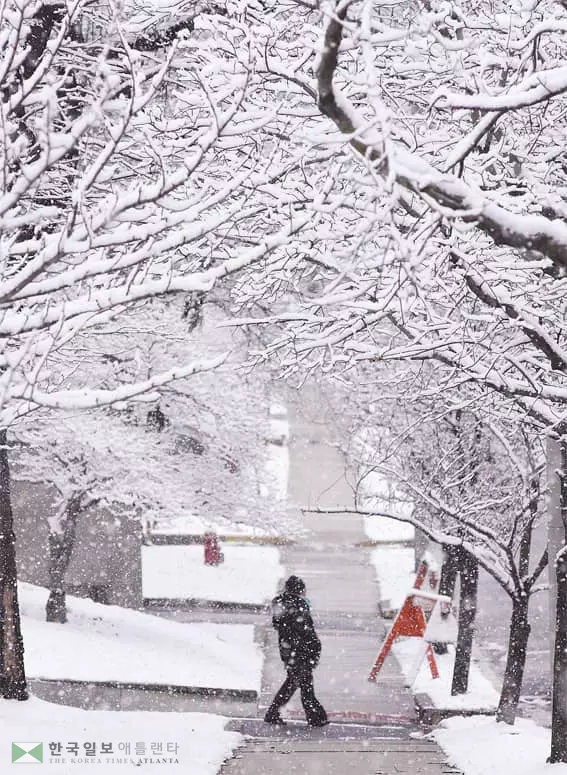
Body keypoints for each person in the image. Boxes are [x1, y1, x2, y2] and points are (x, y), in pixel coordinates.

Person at [264, 575, 329, 727]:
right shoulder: (299, 606)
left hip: (288, 651)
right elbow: (306, 631)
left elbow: (283, 626)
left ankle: (314, 716)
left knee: (299, 683)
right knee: (300, 684)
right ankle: (314, 716)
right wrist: (315, 648)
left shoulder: (281, 604)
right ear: (300, 590)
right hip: (302, 651)